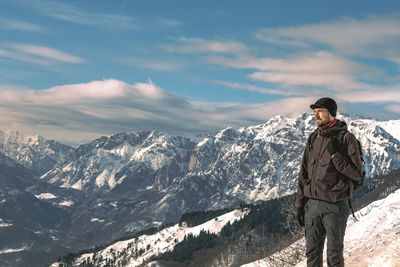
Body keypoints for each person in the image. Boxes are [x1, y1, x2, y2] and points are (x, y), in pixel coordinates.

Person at [295, 97, 362, 267]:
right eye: (315, 112)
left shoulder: (346, 138)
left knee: (334, 256)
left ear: (331, 114)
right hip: (313, 205)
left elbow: (356, 174)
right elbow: (304, 174)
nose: (316, 115)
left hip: (335, 206)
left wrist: (336, 155)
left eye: (320, 111)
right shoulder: (312, 138)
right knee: (312, 254)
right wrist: (300, 204)